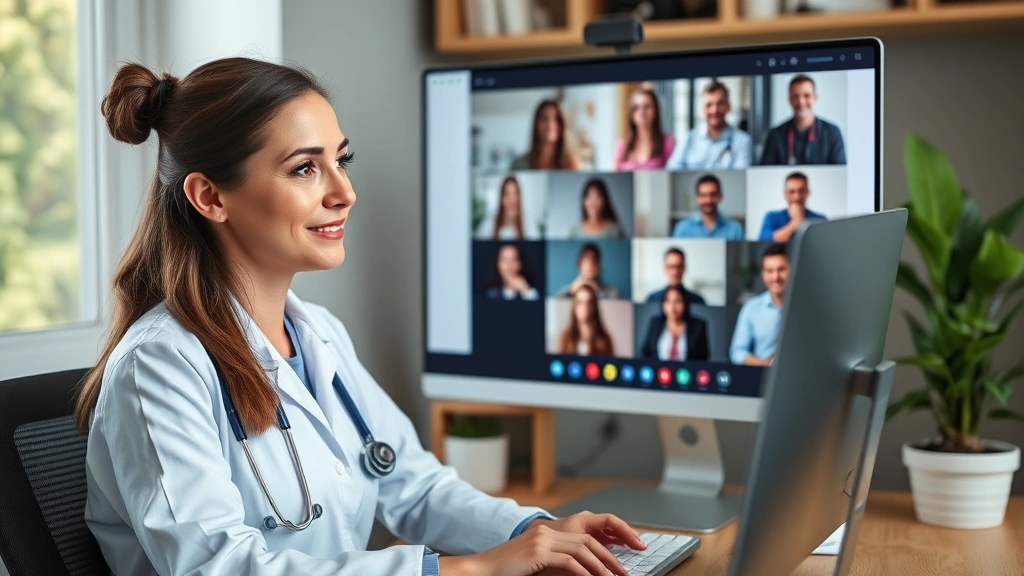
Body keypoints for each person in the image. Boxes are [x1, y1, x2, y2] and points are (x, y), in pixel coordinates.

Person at [76, 58, 645, 576]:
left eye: (341, 160)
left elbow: (411, 486)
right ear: (210, 197)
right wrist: (470, 570)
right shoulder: (158, 365)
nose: (344, 191)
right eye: (304, 169)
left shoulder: (318, 333)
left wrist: (533, 532)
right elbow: (215, 568)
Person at [759, 74, 846, 166]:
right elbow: (765, 172)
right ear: (790, 100)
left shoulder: (832, 133)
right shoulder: (776, 135)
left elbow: (840, 172)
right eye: (796, 96)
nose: (801, 101)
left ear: (815, 98)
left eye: (806, 95)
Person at [665, 81, 752, 170]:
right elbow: (672, 171)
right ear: (702, 108)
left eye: (720, 103)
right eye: (709, 105)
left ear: (728, 106)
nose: (714, 110)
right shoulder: (688, 138)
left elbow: (740, 178)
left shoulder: (742, 141)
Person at [729, 243, 789, 366]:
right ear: (763, 275)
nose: (776, 277)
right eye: (770, 271)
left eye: (781, 269)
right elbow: (737, 352)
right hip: (763, 375)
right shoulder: (751, 308)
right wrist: (764, 363)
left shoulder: (807, 306)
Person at [639, 285, 710, 361]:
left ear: (685, 304)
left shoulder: (698, 326)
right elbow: (645, 353)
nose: (672, 308)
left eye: (677, 301)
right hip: (659, 371)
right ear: (663, 304)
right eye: (668, 301)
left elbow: (703, 358)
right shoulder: (655, 323)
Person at [612, 87, 676, 171]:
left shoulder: (668, 144)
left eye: (647, 107)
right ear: (631, 113)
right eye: (636, 108)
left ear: (656, 111)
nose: (642, 112)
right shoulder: (622, 146)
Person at [509, 99, 580, 170]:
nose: (550, 125)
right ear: (536, 124)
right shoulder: (519, 165)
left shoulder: (575, 165)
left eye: (556, 119)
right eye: (544, 119)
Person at [757, 171, 827, 242]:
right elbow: (763, 243)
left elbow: (826, 245)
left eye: (801, 191)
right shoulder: (771, 217)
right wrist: (794, 223)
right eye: (792, 192)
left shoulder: (820, 220)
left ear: (807, 193)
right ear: (785, 194)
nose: (796, 197)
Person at [671, 174, 744, 240]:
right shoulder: (682, 228)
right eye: (703, 195)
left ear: (720, 197)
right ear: (697, 198)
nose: (708, 200)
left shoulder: (735, 229)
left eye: (713, 195)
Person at [557, 284, 614, 356]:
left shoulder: (605, 339)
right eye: (580, 302)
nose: (585, 307)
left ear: (594, 307)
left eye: (589, 303)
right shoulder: (565, 337)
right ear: (574, 307)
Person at [478, 175, 538, 240]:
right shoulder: (488, 226)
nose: (511, 200)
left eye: (515, 194)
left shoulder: (528, 226)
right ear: (501, 198)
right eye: (507, 194)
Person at [557, 243, 622, 299]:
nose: (590, 264)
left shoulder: (613, 292)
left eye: (594, 261)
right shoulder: (565, 292)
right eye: (586, 260)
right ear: (578, 265)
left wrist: (598, 293)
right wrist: (571, 292)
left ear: (600, 266)